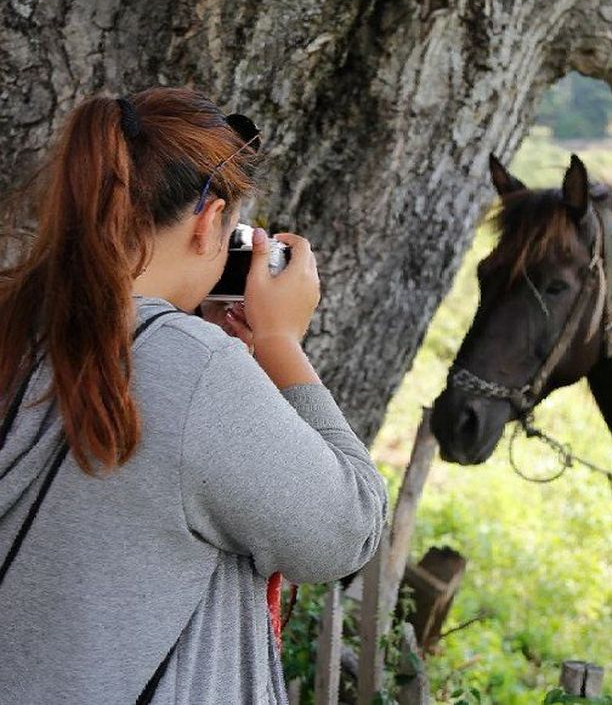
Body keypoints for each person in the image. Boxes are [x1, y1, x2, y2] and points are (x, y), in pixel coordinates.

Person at [0, 87, 387, 704]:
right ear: (211, 222)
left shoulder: (21, 316)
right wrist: (281, 342)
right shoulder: (195, 369)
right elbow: (345, 534)